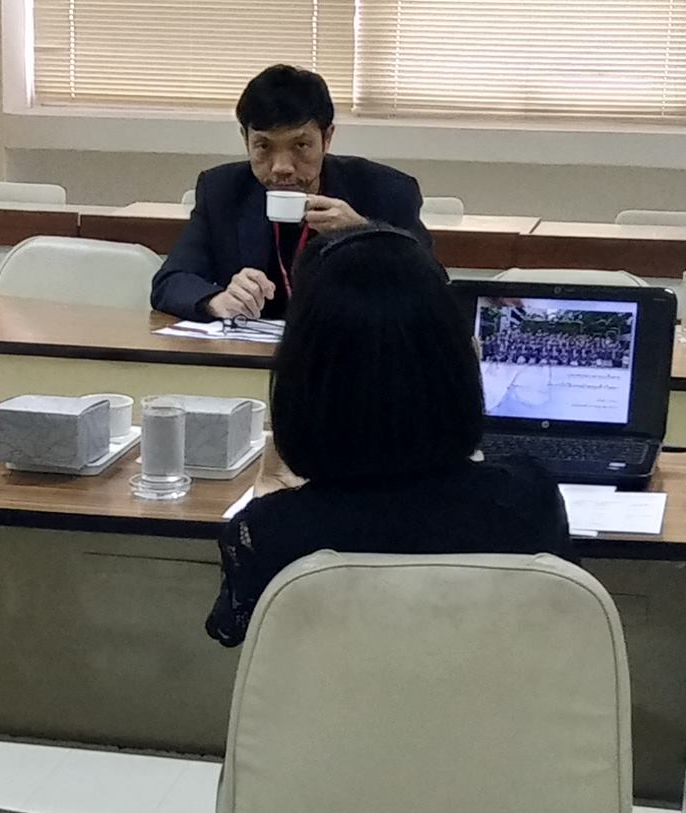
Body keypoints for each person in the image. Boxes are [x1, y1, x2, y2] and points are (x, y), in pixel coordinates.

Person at [205, 225, 572, 647]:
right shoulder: (528, 500)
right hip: (497, 692)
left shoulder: (271, 530)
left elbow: (233, 630)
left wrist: (269, 492)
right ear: (461, 365)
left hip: (337, 694)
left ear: (301, 381)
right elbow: (561, 616)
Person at [152, 65, 434, 322]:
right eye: (263, 146)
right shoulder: (222, 191)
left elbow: (432, 286)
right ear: (245, 139)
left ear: (327, 138)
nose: (281, 167)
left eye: (300, 146)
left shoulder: (385, 191)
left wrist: (364, 236)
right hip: (251, 353)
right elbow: (171, 281)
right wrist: (218, 301)